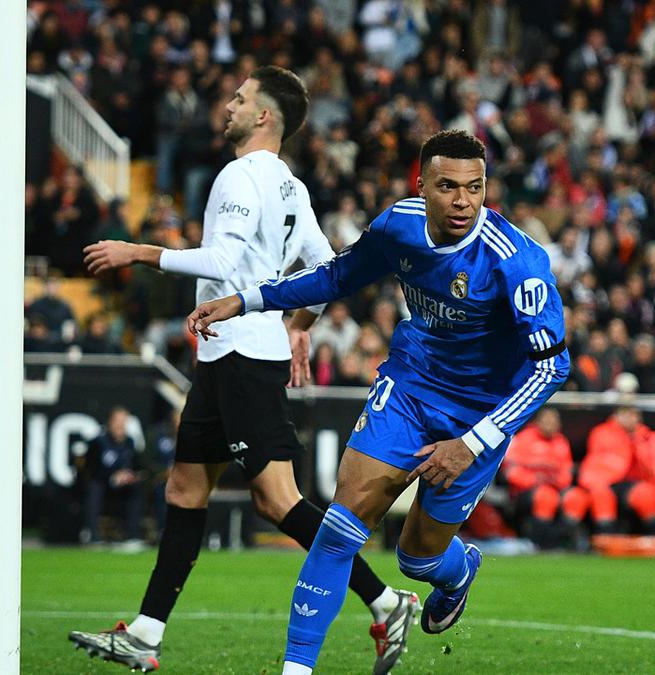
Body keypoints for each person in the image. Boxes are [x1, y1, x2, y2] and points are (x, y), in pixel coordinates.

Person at [69, 66, 417, 674]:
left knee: (279, 499)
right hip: (226, 353)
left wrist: (138, 251)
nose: (226, 105)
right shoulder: (289, 185)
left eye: (238, 98)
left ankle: (387, 602)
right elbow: (325, 267)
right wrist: (302, 326)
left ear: (263, 116)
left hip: (241, 356)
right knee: (184, 486)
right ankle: (146, 634)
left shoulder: (237, 175)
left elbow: (224, 259)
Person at [185, 129, 571, 674]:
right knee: (341, 526)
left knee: (418, 558)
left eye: (474, 188)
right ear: (422, 185)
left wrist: (474, 441)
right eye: (447, 187)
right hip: (410, 387)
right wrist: (246, 301)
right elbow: (336, 276)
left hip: (478, 415)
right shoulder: (399, 226)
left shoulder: (517, 262)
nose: (462, 201)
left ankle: (456, 573)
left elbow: (553, 365)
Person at [501, 408, 588, 549]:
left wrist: (554, 480)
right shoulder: (523, 438)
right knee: (546, 497)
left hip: (554, 488)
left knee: (576, 497)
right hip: (524, 492)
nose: (550, 424)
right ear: (538, 422)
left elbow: (566, 474)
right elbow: (511, 472)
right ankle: (542, 544)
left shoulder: (561, 442)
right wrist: (535, 479)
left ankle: (565, 541)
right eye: (547, 420)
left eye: (554, 421)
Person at [578, 405, 655, 534]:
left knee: (646, 495)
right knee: (601, 496)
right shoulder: (601, 432)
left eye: (634, 416)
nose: (632, 419)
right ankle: (606, 540)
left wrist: (637, 442)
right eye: (627, 415)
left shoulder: (645, 435)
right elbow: (596, 463)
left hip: (630, 482)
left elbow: (650, 466)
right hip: (605, 481)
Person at [80, 406, 145, 544]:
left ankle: (132, 534)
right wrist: (112, 477)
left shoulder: (130, 442)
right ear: (110, 422)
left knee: (137, 487)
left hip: (123, 486)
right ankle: (91, 532)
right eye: (117, 421)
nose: (120, 425)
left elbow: (137, 466)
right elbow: (91, 469)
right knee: (94, 487)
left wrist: (131, 476)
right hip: (103, 483)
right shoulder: (98, 442)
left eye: (124, 421)